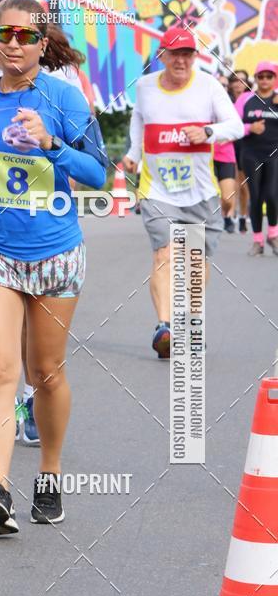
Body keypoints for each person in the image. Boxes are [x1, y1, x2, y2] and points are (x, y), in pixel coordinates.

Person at [0, 0, 107, 534]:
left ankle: (50, 474)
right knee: (0, 369)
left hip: (55, 251)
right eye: (4, 34)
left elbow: (98, 173)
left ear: (42, 42)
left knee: (46, 373)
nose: (14, 44)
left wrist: (51, 143)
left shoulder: (65, 98)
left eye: (26, 36)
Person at [123, 27, 243, 358]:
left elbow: (236, 125)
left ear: (194, 57)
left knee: (195, 259)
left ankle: (190, 322)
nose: (181, 60)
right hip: (157, 189)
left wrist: (207, 131)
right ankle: (164, 326)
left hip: (200, 190)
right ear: (162, 56)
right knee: (163, 253)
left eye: (187, 54)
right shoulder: (146, 87)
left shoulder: (208, 86)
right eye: (174, 54)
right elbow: (139, 120)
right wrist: (133, 153)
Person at [234, 61, 278, 256]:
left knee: (272, 195)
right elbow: (233, 125)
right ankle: (258, 241)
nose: (265, 80)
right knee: (256, 196)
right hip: (251, 154)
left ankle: (273, 235)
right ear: (256, 79)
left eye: (269, 77)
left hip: (274, 154)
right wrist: (249, 128)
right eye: (261, 76)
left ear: (275, 79)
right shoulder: (246, 99)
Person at [228, 70, 252, 233]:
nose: (239, 83)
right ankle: (230, 216)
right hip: (228, 145)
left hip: (246, 145)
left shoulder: (252, 101)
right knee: (232, 184)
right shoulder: (225, 100)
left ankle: (243, 216)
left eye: (242, 80)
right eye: (235, 80)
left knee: (243, 185)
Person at [214, 75, 238, 234]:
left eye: (224, 84)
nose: (221, 87)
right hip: (205, 156)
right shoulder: (202, 105)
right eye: (218, 84)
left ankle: (227, 214)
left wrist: (227, 135)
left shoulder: (232, 107)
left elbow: (239, 129)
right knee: (204, 195)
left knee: (227, 198)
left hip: (226, 155)